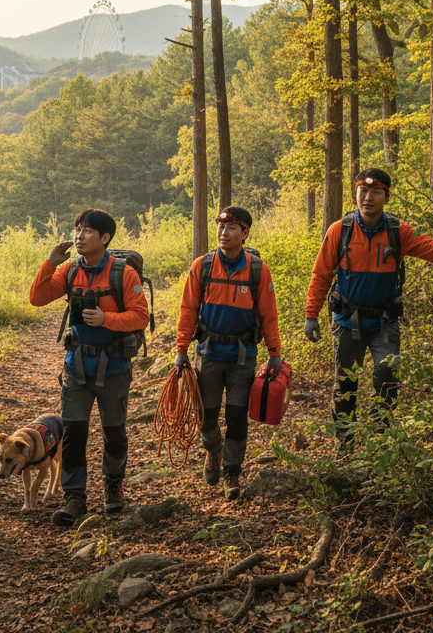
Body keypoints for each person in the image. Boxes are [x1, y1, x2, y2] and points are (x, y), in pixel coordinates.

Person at [304, 168, 433, 446]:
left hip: (384, 323)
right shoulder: (340, 230)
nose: (368, 197)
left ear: (387, 197)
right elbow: (321, 274)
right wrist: (311, 316)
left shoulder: (399, 232)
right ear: (356, 193)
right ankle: (344, 445)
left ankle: (377, 442)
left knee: (387, 380)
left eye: (375, 192)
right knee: (345, 386)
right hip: (347, 322)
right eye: (363, 191)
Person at [30, 209, 149, 527]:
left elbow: (141, 316)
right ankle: (74, 499)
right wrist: (51, 262)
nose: (79, 236)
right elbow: (38, 298)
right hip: (77, 366)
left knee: (114, 433)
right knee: (73, 433)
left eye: (87, 231)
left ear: (105, 238)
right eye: (77, 229)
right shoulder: (69, 271)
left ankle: (113, 485)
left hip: (114, 367)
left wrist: (107, 319)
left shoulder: (123, 274)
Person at [174, 207, 281, 501]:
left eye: (232, 227)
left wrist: (275, 352)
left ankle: (232, 472)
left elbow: (268, 314)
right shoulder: (203, 266)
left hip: (242, 357)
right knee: (205, 417)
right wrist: (181, 349)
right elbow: (188, 310)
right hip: (208, 353)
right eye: (221, 226)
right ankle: (214, 451)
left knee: (236, 417)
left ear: (245, 233)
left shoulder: (257, 269)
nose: (224, 232)